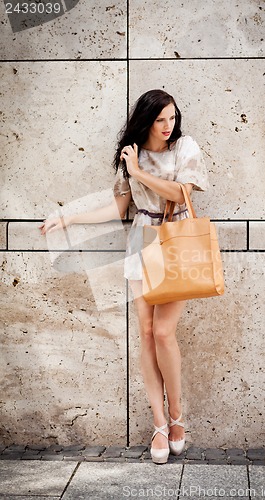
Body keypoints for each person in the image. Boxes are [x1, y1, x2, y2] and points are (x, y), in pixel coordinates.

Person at [40, 89, 209, 464]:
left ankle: (179, 417)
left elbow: (181, 195)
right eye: (160, 119)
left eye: (172, 117)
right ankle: (160, 423)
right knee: (146, 334)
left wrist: (138, 172)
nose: (168, 126)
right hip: (141, 242)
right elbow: (119, 207)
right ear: (146, 120)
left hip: (175, 241)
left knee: (165, 332)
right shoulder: (131, 152)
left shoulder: (184, 148)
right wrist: (66, 218)